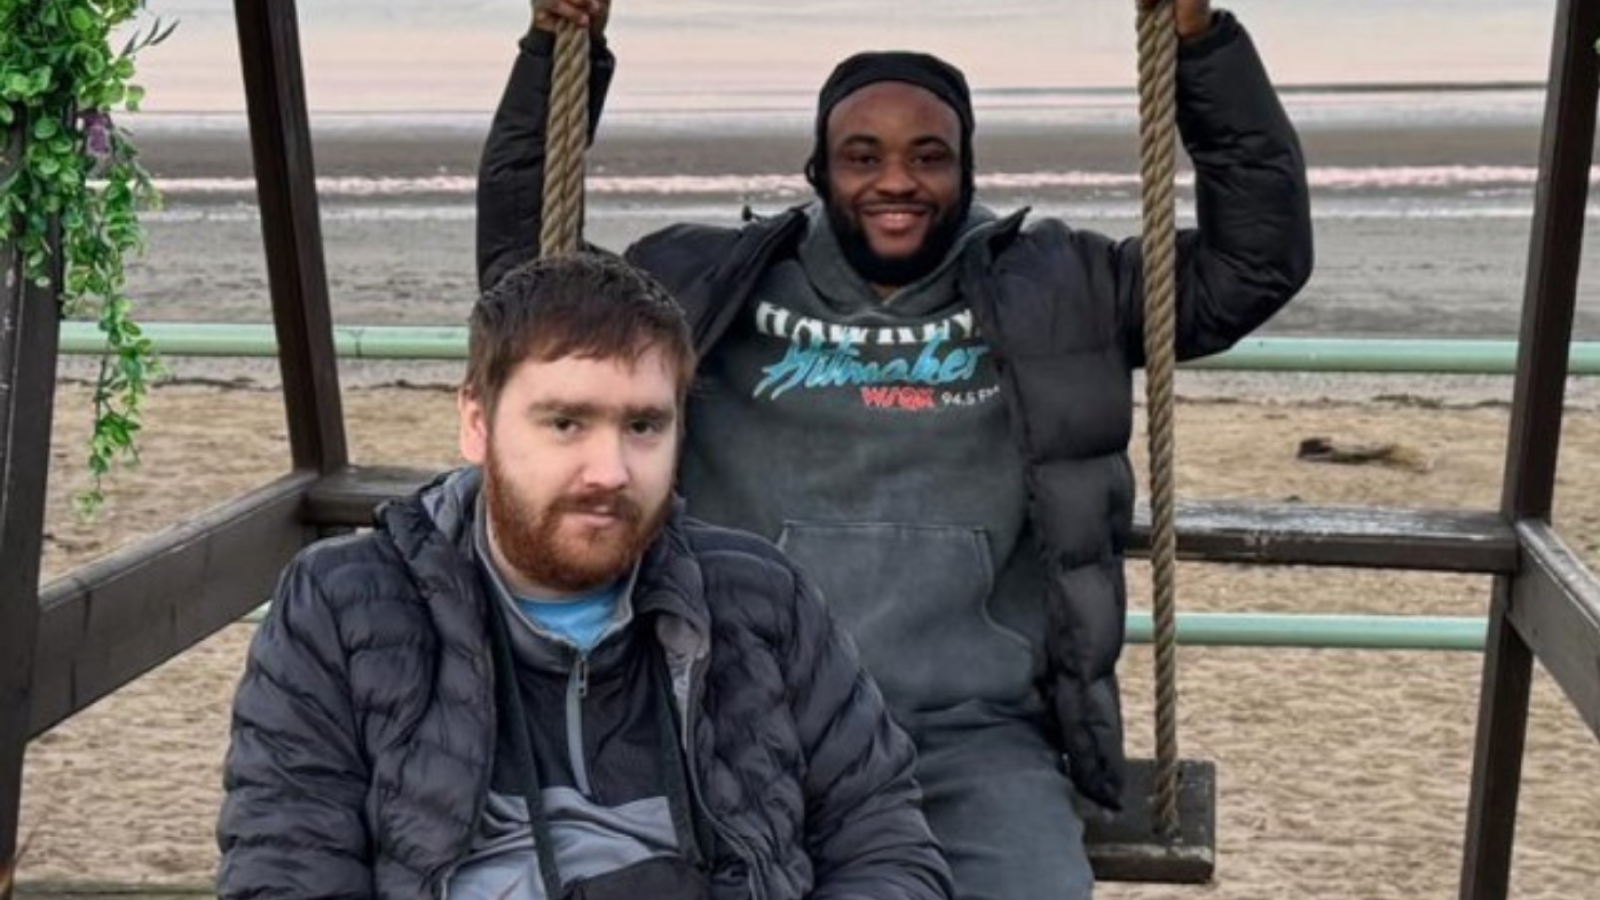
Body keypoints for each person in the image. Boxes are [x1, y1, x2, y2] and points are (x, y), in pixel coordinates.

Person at [477, 2, 1313, 897]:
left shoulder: (1063, 288)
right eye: (863, 156)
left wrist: (1201, 42)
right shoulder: (700, 288)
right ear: (819, 169)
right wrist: (560, 52)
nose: (896, 181)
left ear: (965, 167)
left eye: (927, 156)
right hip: (742, 720)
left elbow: (1254, 265)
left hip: (976, 737)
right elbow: (525, 273)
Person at [216, 253, 953, 900]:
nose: (609, 472)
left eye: (643, 427)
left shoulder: (758, 597)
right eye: (566, 423)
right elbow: (284, 873)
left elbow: (884, 840)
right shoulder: (344, 610)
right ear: (477, 420)